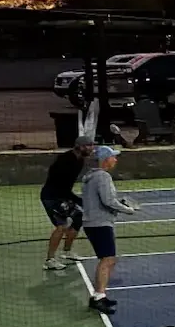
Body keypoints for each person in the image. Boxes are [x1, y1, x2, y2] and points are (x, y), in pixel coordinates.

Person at [81, 146, 136, 315]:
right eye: (113, 157)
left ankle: (100, 294)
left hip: (94, 223)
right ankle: (98, 297)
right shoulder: (103, 176)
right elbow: (108, 201)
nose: (116, 160)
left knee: (109, 259)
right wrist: (128, 210)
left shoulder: (91, 177)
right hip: (100, 224)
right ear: (105, 160)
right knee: (107, 260)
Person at [40, 135, 96, 270]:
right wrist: (76, 199)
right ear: (80, 147)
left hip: (63, 195)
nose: (92, 149)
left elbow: (66, 185)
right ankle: (49, 260)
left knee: (78, 218)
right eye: (89, 146)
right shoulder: (65, 160)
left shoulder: (79, 160)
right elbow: (58, 182)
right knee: (63, 225)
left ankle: (66, 251)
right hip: (51, 197)